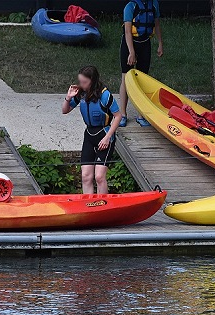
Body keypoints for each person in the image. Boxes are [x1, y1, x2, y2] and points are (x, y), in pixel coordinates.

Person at [62, 65, 123, 194]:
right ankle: (88, 203)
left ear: (93, 80)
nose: (82, 85)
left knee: (99, 177)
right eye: (80, 81)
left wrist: (107, 138)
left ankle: (102, 203)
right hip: (89, 135)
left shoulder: (105, 95)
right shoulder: (81, 93)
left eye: (85, 82)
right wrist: (68, 97)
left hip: (104, 135)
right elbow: (65, 110)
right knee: (86, 176)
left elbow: (118, 116)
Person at [118, 0, 163, 127]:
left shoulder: (154, 4)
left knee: (142, 79)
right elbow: (127, 31)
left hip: (145, 44)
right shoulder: (130, 6)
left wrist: (160, 43)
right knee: (126, 77)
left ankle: (141, 115)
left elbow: (157, 25)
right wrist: (131, 52)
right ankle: (122, 114)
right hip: (129, 44)